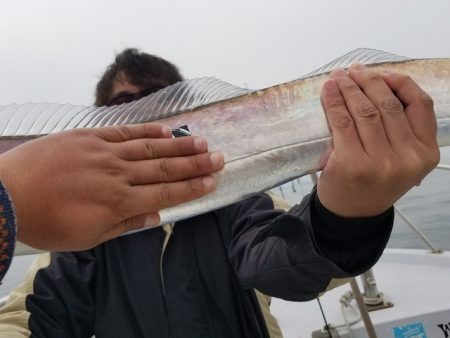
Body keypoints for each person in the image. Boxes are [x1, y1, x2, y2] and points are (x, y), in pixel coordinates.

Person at [0, 49, 439, 337]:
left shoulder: (241, 204)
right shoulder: (85, 239)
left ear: (189, 105)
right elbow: (28, 319)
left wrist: (347, 217)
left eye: (157, 98)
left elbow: (281, 267)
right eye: (122, 108)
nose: (142, 115)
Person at [0, 113, 224, 282]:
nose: (141, 114)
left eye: (155, 93)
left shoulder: (233, 213)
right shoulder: (76, 250)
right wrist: (15, 195)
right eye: (123, 103)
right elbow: (23, 319)